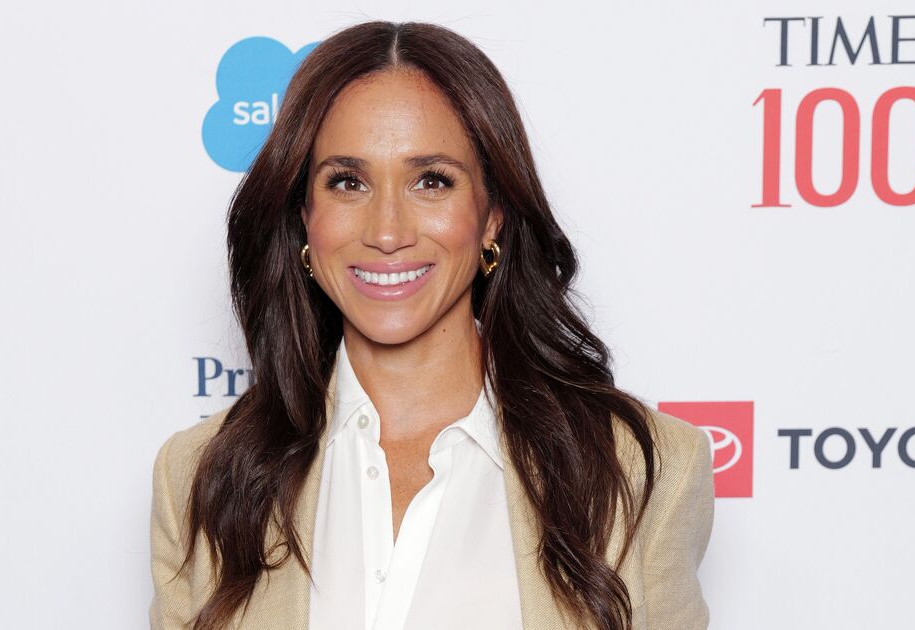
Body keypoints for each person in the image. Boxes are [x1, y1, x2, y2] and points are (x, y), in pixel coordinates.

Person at [149, 20, 714, 630]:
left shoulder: (641, 472)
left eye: (432, 181)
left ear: (492, 215)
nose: (387, 232)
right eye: (347, 182)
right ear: (304, 218)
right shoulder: (199, 479)